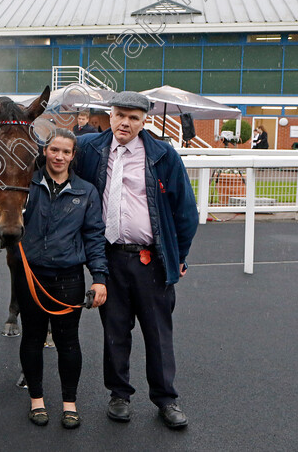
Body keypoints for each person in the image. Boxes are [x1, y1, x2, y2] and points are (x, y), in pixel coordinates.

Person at [73, 91, 198, 429]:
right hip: (109, 258)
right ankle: (119, 394)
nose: (125, 123)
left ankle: (166, 399)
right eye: (119, 115)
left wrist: (178, 255)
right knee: (115, 330)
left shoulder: (163, 154)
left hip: (150, 260)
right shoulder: (89, 148)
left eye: (133, 117)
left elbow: (186, 211)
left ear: (145, 121)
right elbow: (53, 155)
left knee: (158, 333)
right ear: (110, 115)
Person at [12, 128, 108, 429]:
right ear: (45, 151)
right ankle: (37, 401)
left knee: (68, 342)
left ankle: (70, 403)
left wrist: (99, 278)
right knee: (32, 337)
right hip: (31, 277)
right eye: (55, 149)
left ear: (73, 155)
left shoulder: (86, 191)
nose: (59, 156)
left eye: (66, 151)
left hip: (68, 278)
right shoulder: (26, 185)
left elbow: (94, 237)